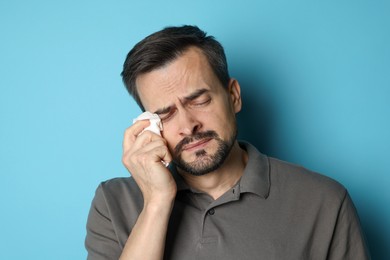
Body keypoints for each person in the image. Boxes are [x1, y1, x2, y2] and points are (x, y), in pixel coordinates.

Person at [85, 25, 370, 260]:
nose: (187, 126)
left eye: (200, 100)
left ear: (233, 96)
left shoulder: (323, 201)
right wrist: (157, 203)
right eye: (165, 114)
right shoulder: (112, 203)